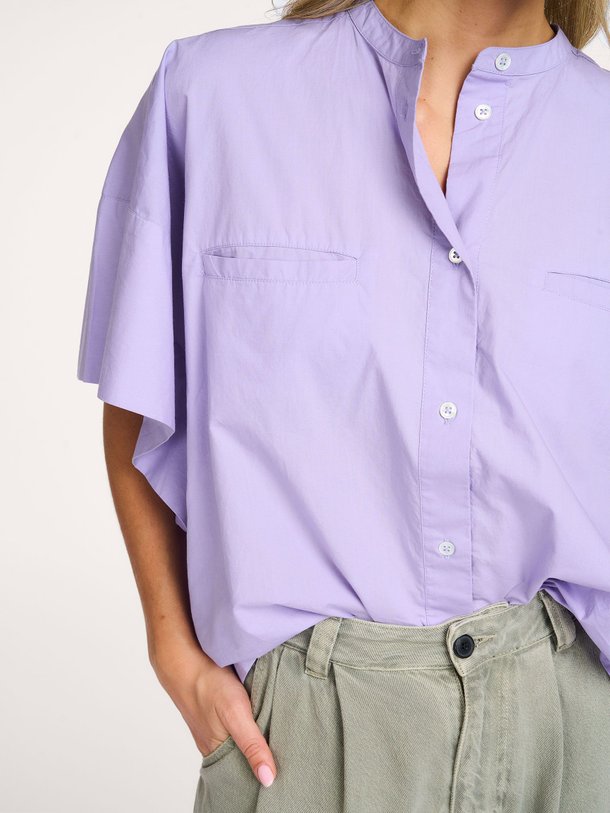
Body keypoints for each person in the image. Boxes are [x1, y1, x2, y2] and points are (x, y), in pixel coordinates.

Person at [76, 0, 610, 809]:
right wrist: (173, 648)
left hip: (571, 725)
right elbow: (140, 383)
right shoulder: (215, 96)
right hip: (307, 732)